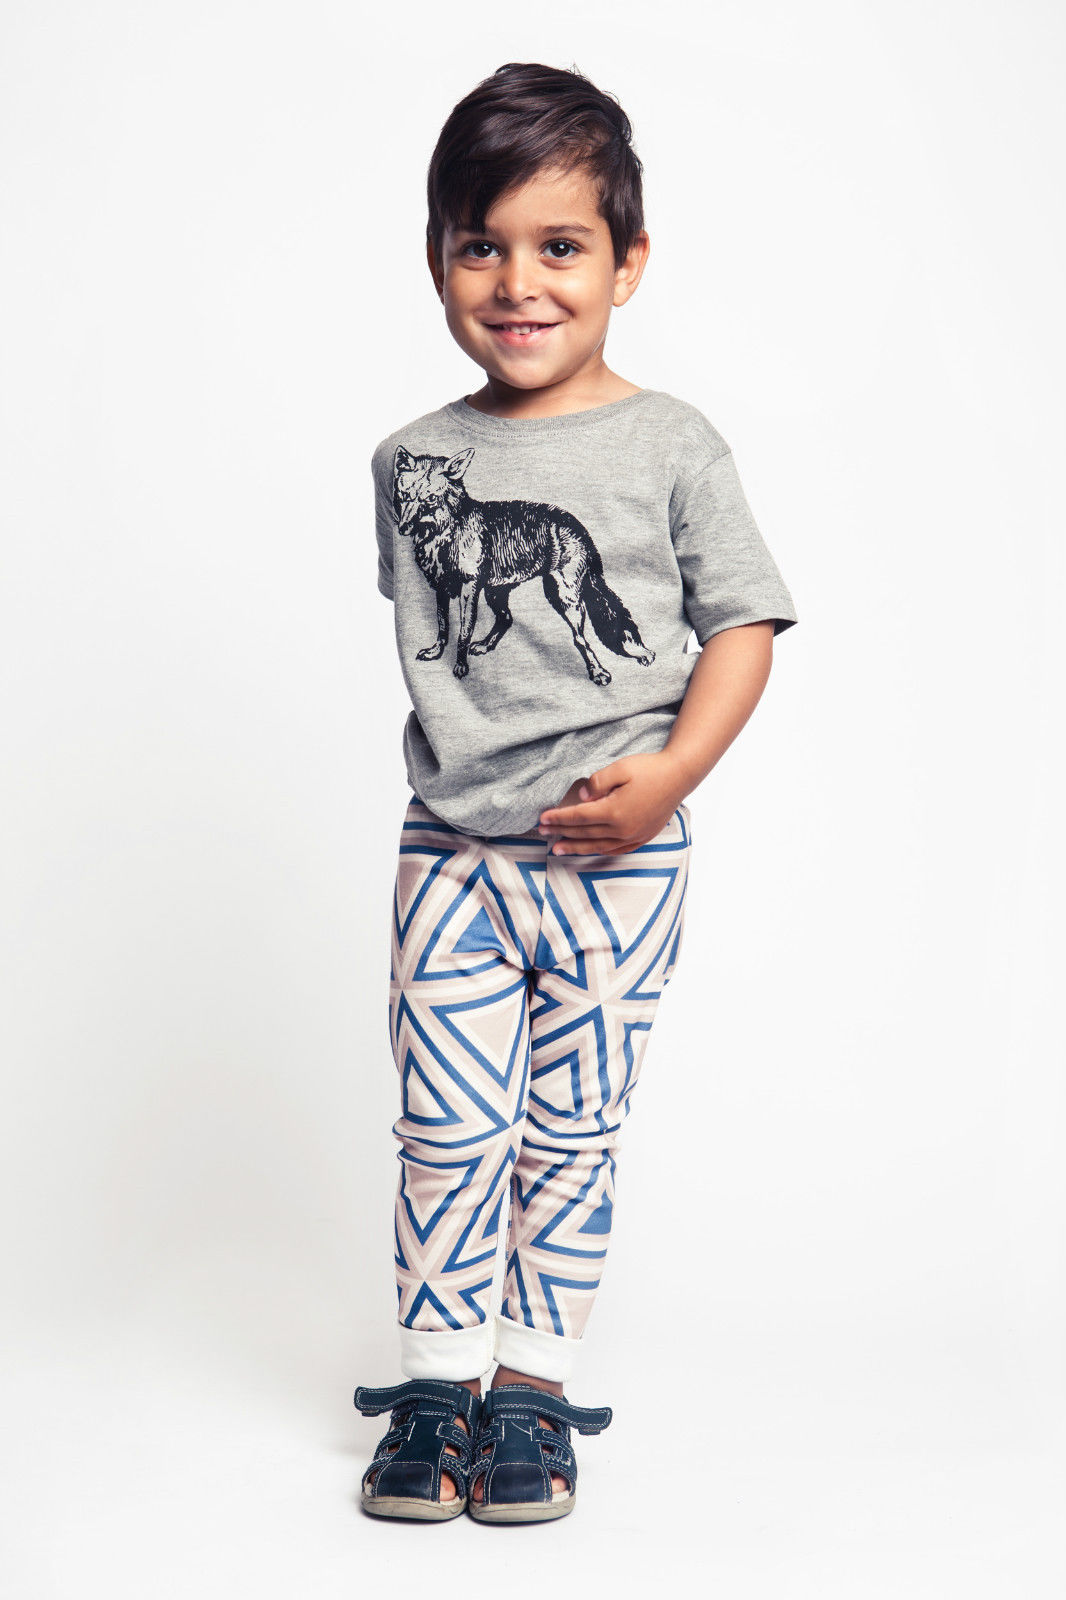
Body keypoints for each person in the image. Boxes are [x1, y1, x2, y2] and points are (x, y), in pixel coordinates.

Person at [353, 60, 799, 1524]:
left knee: (570, 1132)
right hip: (453, 851)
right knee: (444, 1129)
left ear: (627, 262)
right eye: (480, 246)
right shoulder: (411, 461)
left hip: (617, 858)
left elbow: (742, 623)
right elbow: (456, 651)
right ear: (437, 259)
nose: (519, 283)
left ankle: (533, 1388)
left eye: (559, 246)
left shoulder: (672, 444)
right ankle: (435, 1385)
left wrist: (670, 775)